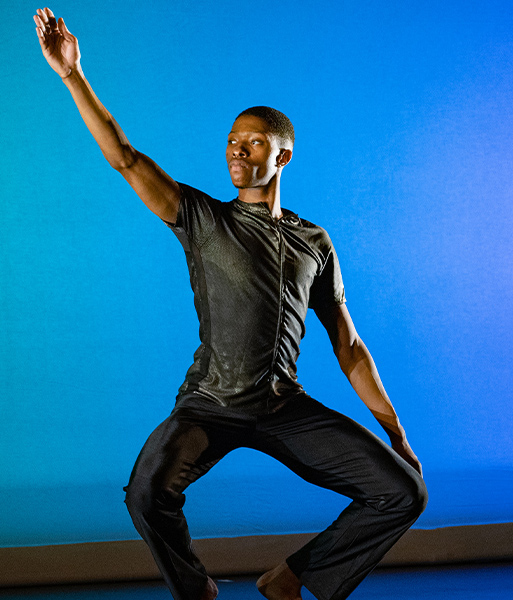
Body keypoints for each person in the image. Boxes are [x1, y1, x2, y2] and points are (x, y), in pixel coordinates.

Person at [34, 8, 427, 600]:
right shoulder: (202, 218)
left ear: (282, 157)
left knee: (403, 492)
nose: (238, 151)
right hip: (210, 405)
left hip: (281, 407)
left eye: (254, 142)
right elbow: (126, 157)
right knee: (145, 493)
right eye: (232, 142)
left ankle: (291, 577)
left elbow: (346, 342)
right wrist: (73, 76)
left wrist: (393, 428)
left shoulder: (314, 241)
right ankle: (198, 591)